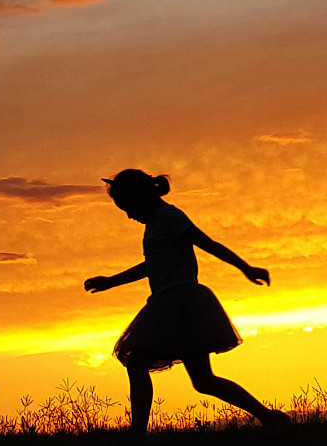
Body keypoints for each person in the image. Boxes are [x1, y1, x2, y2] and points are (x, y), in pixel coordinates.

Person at [84, 169, 290, 431]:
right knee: (203, 381)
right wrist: (111, 281)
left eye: (128, 207)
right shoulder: (155, 223)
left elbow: (208, 243)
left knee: (139, 361)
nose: (128, 215)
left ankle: (137, 433)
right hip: (169, 303)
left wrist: (245, 267)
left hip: (181, 304)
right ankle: (269, 417)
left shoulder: (169, 217)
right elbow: (153, 264)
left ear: (141, 197)